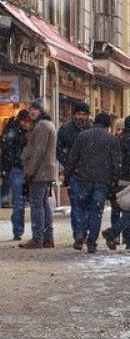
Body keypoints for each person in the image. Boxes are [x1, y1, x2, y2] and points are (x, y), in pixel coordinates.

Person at [66, 111, 121, 253]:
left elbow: (72, 157)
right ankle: (92, 242)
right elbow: (116, 163)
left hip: (83, 179)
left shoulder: (83, 136)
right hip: (102, 181)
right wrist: (114, 182)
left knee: (80, 208)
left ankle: (79, 233)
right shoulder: (112, 139)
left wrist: (68, 175)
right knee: (96, 211)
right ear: (108, 125)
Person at [19, 99, 57, 249]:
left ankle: (38, 238)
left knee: (37, 205)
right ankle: (47, 238)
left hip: (39, 172)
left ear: (41, 110)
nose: (31, 112)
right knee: (44, 204)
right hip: (45, 171)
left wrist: (29, 172)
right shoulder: (47, 124)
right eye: (30, 110)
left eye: (34, 109)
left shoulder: (41, 126)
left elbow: (37, 152)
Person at [102, 116, 130, 250]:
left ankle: (121, 239)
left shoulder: (116, 139)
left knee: (117, 208)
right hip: (128, 180)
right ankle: (114, 234)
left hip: (115, 180)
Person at [56, 102, 91, 241]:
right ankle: (78, 233)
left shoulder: (91, 129)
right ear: (74, 114)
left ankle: (84, 231)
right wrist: (70, 164)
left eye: (83, 114)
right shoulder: (66, 130)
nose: (81, 117)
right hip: (74, 174)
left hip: (89, 173)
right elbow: (59, 151)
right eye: (78, 114)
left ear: (87, 116)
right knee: (76, 204)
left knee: (87, 204)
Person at [1, 110, 30, 240]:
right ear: (21, 121)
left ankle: (18, 230)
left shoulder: (14, 131)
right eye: (26, 122)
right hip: (15, 169)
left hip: (16, 169)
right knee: (18, 201)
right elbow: (8, 151)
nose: (27, 125)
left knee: (18, 200)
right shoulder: (14, 132)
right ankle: (18, 230)